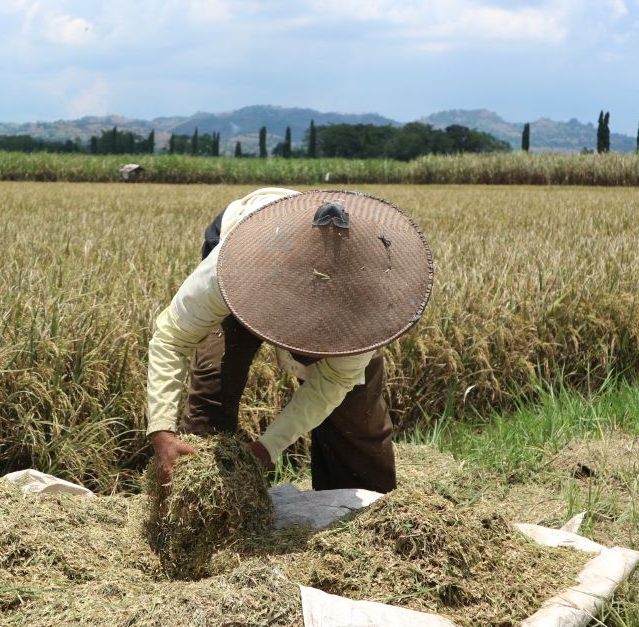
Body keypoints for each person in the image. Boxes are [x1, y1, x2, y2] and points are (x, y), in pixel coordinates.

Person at [146, 187, 433, 492]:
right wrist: (161, 431)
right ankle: (195, 506)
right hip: (254, 261)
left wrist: (268, 447)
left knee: (356, 409)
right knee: (213, 388)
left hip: (336, 284)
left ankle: (364, 516)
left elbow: (334, 382)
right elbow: (172, 337)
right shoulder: (231, 269)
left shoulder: (369, 303)